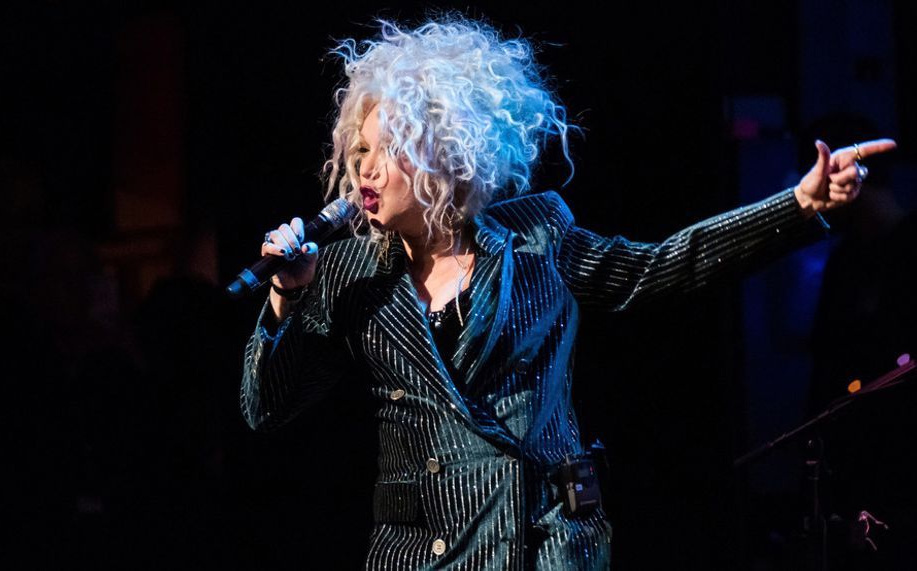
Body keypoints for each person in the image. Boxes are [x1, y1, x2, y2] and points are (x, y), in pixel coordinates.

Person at [239, 16, 896, 570]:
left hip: (543, 544)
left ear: (445, 153)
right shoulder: (349, 272)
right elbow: (266, 410)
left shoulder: (537, 239)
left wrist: (799, 203)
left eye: (388, 149)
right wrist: (285, 299)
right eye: (358, 153)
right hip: (422, 553)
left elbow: (668, 264)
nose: (366, 170)